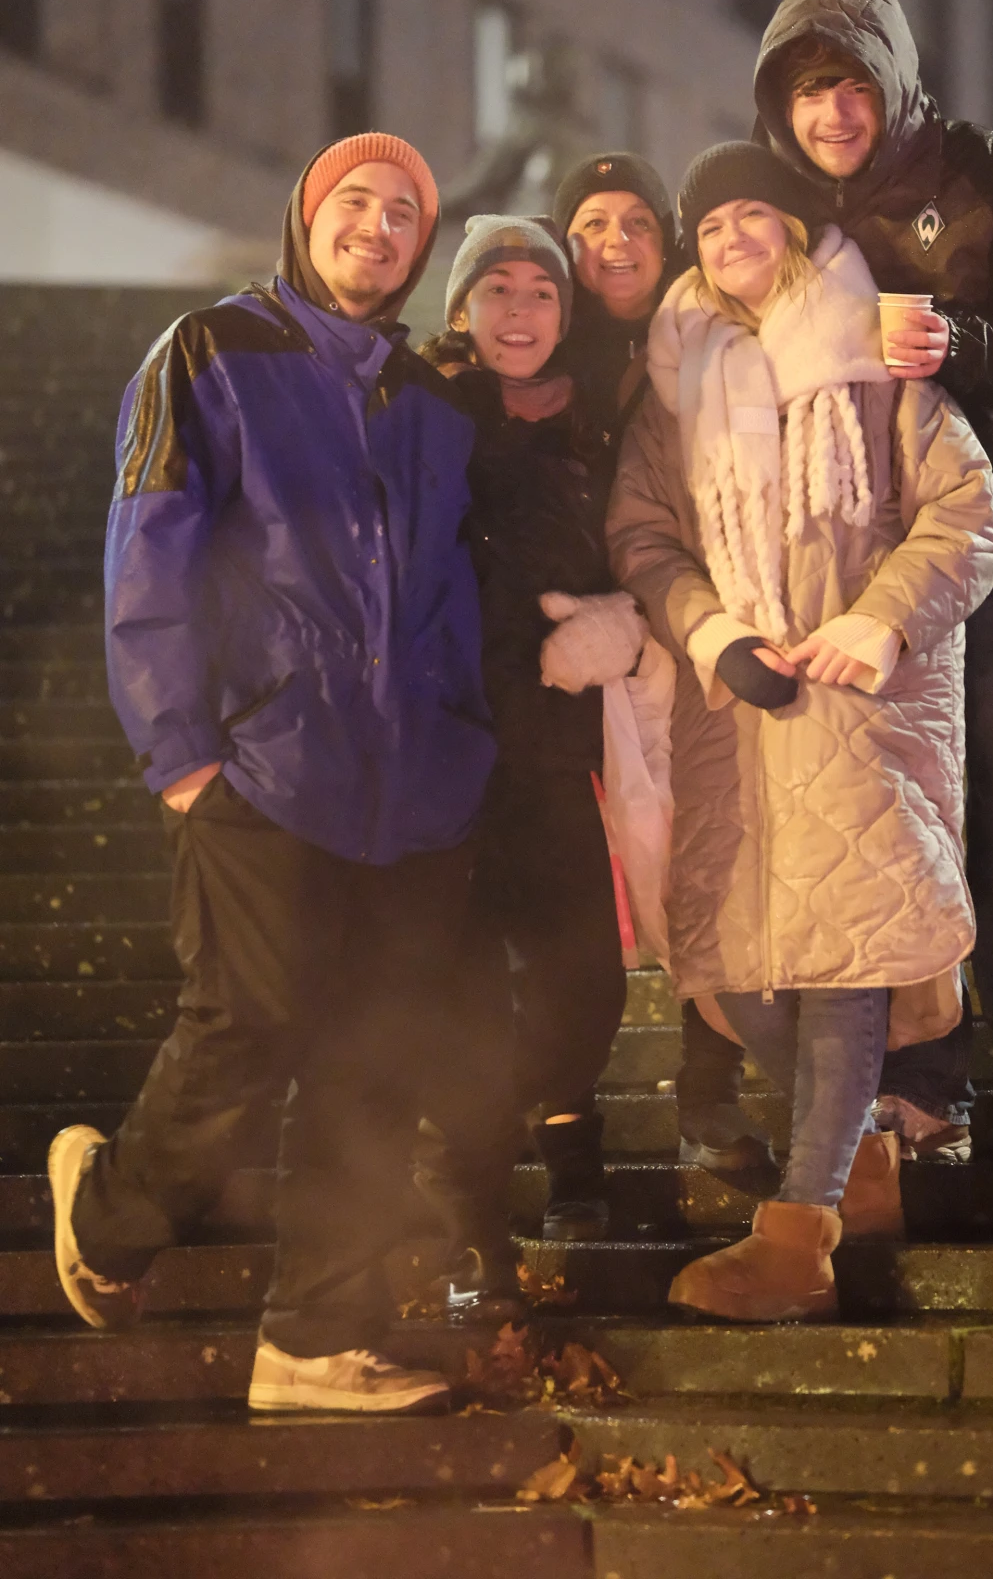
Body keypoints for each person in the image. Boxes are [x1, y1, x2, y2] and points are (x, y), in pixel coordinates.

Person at [47, 133, 508, 1414]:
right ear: (305, 221)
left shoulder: (427, 396)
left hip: (414, 793)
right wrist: (180, 749)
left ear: (423, 247)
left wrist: (463, 748)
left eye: (404, 212)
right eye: (353, 201)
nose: (377, 224)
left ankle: (316, 1337)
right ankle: (115, 1212)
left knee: (379, 1059)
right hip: (262, 766)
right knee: (247, 1023)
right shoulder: (213, 350)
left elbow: (457, 590)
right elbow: (151, 546)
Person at [607, 143, 993, 1320]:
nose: (731, 238)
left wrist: (880, 621)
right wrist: (713, 630)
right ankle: (864, 1155)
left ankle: (798, 1231)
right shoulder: (672, 379)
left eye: (751, 215)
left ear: (790, 226)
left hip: (861, 694)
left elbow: (965, 508)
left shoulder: (874, 352)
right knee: (739, 974)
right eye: (710, 223)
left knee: (845, 960)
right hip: (736, 699)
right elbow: (641, 535)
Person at [751, 0, 993, 1163]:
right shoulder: (772, 210)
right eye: (810, 89)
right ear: (780, 106)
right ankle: (921, 1085)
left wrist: (964, 342)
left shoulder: (974, 169)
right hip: (861, 572)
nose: (836, 111)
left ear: (895, 83)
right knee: (905, 818)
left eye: (856, 82)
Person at [413, 214, 644, 1298]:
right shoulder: (422, 410)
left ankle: (545, 1128)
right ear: (460, 308)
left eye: (540, 292)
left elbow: (655, 535)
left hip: (559, 740)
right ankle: (470, 1221)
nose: (519, 312)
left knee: (584, 977)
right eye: (495, 290)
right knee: (456, 990)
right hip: (447, 741)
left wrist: (625, 616)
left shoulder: (601, 417)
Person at [553, 153, 776, 1186]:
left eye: (638, 219)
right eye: (591, 221)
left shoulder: (697, 336)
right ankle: (558, 1123)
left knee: (702, 860)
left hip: (686, 631)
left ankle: (705, 1092)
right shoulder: (533, 336)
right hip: (558, 653)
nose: (617, 240)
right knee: (575, 897)